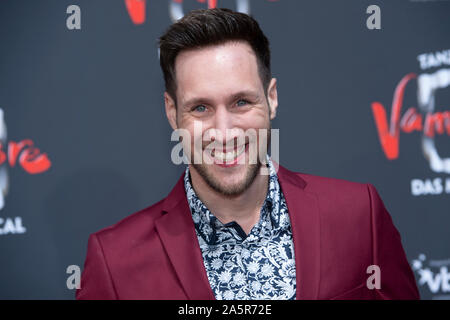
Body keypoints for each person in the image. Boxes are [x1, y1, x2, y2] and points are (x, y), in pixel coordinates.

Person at [76, 8, 419, 300]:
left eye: (241, 102)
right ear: (171, 112)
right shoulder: (115, 261)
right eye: (200, 108)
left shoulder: (359, 215)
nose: (224, 131)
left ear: (271, 98)